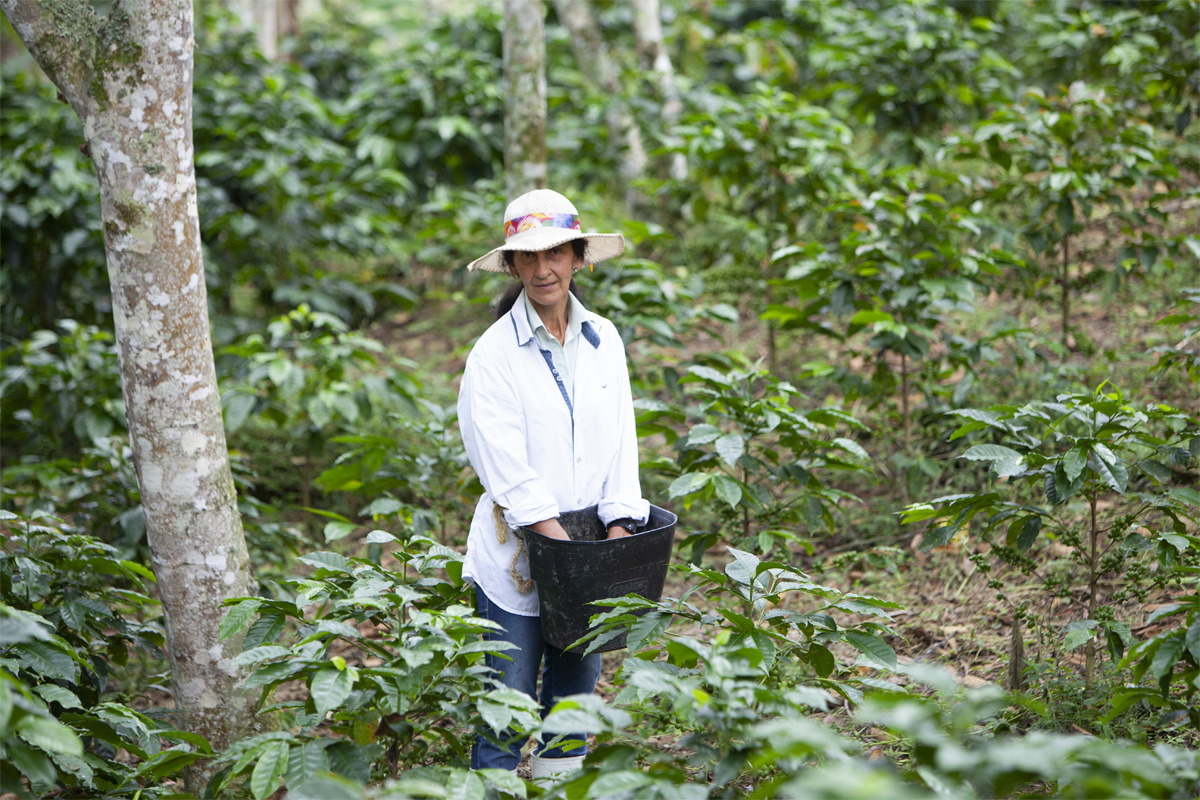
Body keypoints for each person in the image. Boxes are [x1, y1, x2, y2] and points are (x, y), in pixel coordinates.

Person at [457, 189, 649, 780]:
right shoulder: (493, 356)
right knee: (507, 707)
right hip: (518, 556)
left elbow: (621, 441)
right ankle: (493, 788)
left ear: (579, 258)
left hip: (588, 548)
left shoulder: (604, 339)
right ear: (513, 266)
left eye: (556, 253)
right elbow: (502, 463)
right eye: (529, 256)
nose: (544, 269)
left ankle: (557, 785)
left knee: (572, 703)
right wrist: (560, 550)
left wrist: (617, 531)